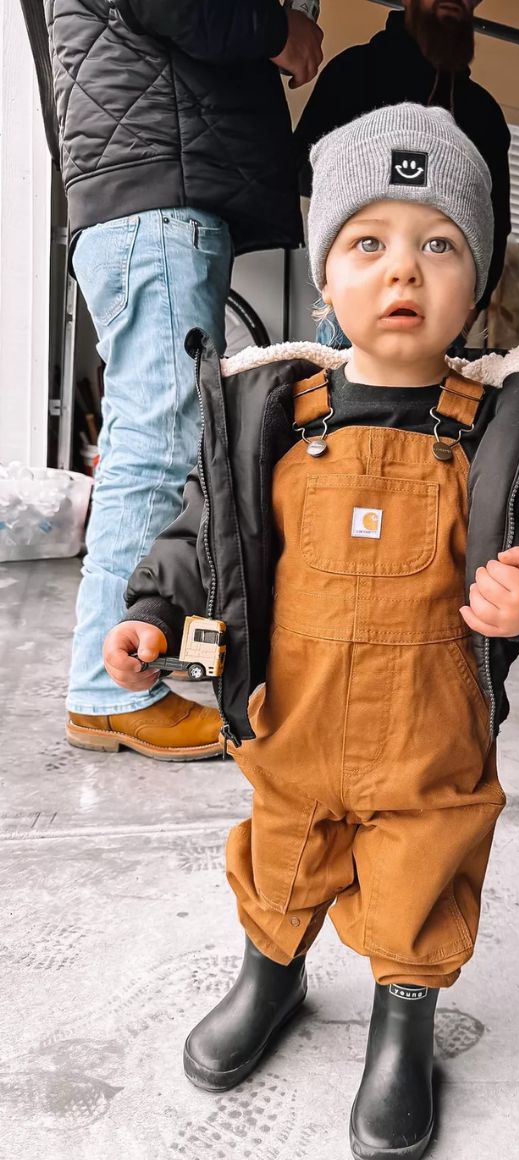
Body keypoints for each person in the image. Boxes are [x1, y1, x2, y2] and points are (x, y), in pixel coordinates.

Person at [102, 104, 519, 1160]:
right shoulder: (274, 411)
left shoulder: (506, 419)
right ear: (324, 272)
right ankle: (269, 974)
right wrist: (153, 615)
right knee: (281, 853)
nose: (402, 273)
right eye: (367, 242)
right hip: (292, 717)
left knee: (420, 871)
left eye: (438, 245)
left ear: (477, 281)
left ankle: (402, 1022)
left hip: (433, 733)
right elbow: (208, 533)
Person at [47, 0, 323, 760]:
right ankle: (107, 690)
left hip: (142, 182)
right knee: (159, 441)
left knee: (159, 435)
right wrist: (279, 29)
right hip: (155, 186)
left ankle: (121, 668)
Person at [293, 0, 510, 348]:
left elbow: (495, 227)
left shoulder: (483, 112)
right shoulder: (354, 71)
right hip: (350, 317)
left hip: (441, 323)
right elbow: (307, 175)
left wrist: (463, 311)